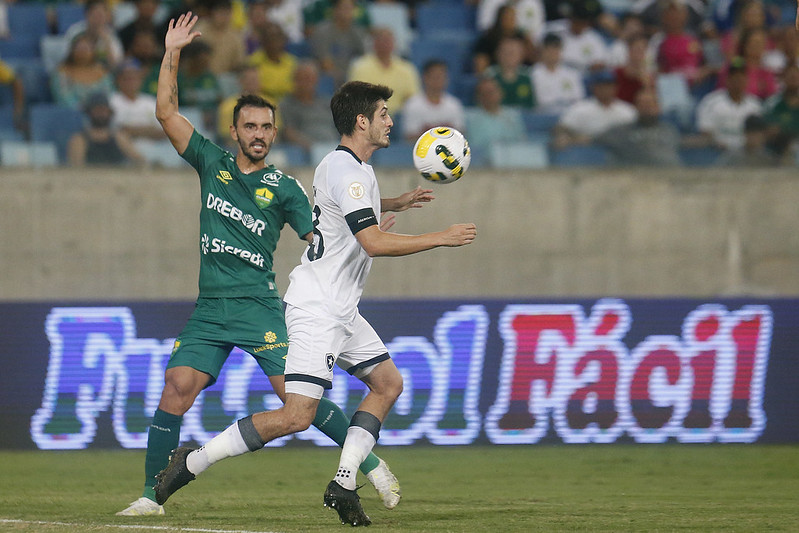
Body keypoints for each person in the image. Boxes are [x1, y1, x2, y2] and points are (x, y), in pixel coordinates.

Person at [151, 76, 477, 525]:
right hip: (317, 309)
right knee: (296, 416)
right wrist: (442, 237)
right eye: (383, 114)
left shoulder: (351, 169)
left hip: (342, 308)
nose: (390, 121)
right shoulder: (346, 171)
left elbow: (347, 216)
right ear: (361, 121)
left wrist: (396, 202)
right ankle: (192, 462)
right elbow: (373, 243)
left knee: (388, 384)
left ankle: (343, 484)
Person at [116, 12, 402, 517]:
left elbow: (326, 233)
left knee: (295, 401)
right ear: (234, 130)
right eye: (250, 126)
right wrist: (172, 51)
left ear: (274, 133)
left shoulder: (286, 188)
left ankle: (369, 465)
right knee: (177, 387)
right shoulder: (211, 162)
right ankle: (150, 496)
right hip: (211, 306)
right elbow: (165, 113)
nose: (260, 134)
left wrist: (378, 220)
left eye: (267, 127)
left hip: (261, 306)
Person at [552, 69, 637, 150]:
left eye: (609, 86)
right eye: (601, 86)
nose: (605, 90)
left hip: (619, 155)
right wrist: (569, 137)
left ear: (615, 88)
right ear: (594, 87)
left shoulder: (627, 110)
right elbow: (561, 128)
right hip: (586, 154)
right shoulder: (580, 108)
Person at [595, 88, 682, 166]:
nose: (647, 109)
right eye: (643, 105)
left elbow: (685, 143)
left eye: (650, 105)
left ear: (659, 107)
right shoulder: (621, 131)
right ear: (636, 107)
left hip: (668, 175)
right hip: (636, 176)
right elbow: (594, 139)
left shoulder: (670, 130)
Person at [694, 58, 762, 152]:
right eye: (735, 76)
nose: (738, 79)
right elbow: (705, 130)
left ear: (747, 80)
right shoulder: (711, 101)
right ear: (727, 79)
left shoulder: (754, 104)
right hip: (716, 153)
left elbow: (758, 134)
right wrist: (717, 144)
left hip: (746, 154)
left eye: (742, 76)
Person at [347, 26, 421, 112]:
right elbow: (356, 97)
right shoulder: (360, 67)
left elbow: (413, 98)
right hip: (370, 114)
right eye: (382, 40)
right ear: (374, 43)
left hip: (399, 115)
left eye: (389, 41)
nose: (385, 44)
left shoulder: (407, 68)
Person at [67, 91, 144, 167]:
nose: (101, 113)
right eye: (97, 110)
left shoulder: (119, 137)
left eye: (103, 110)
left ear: (109, 112)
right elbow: (76, 166)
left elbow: (139, 160)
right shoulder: (79, 139)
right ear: (89, 112)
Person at [279, 60, 339, 151]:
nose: (307, 82)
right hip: (306, 152)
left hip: (334, 148)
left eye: (311, 78)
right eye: (303, 78)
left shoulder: (327, 103)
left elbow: (339, 127)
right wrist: (312, 147)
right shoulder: (287, 105)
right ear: (295, 80)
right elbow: (288, 132)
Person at [401, 59, 465, 142]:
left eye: (442, 76)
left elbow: (461, 134)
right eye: (435, 76)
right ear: (425, 78)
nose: (438, 80)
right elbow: (408, 137)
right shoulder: (413, 105)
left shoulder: (454, 105)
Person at [308, 0, 368, 88]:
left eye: (351, 8)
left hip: (351, 76)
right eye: (345, 8)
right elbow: (325, 63)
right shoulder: (323, 31)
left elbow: (364, 58)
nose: (348, 12)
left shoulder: (358, 32)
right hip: (328, 76)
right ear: (335, 10)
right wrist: (344, 78)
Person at [51, 32, 115, 110]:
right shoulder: (62, 73)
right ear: (72, 51)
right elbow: (64, 99)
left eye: (87, 48)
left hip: (103, 115)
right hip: (75, 115)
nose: (83, 51)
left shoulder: (102, 72)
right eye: (79, 48)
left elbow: (110, 96)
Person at [531, 33, 585, 113]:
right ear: (542, 51)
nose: (553, 53)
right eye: (550, 49)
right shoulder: (533, 74)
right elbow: (538, 101)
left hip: (568, 116)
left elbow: (578, 99)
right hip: (544, 115)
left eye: (556, 49)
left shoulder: (572, 74)